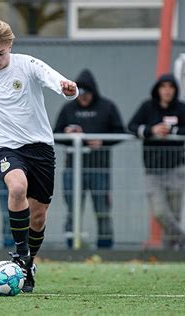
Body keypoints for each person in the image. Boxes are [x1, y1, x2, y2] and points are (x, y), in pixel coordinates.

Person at [0, 20, 78, 292]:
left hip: (41, 147)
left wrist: (66, 87)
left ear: (10, 46)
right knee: (17, 186)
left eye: (1, 53)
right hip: (5, 147)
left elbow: (52, 77)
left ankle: (29, 262)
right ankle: (21, 253)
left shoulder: (27, 64)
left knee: (38, 216)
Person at [53, 69, 125, 249]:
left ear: (94, 92)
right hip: (72, 169)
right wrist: (67, 134)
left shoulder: (107, 107)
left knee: (102, 210)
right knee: (73, 210)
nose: (83, 98)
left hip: (99, 169)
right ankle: (72, 246)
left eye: (87, 94)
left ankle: (105, 246)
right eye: (81, 94)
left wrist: (102, 141)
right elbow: (55, 133)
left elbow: (121, 131)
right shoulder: (68, 108)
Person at [128, 73, 185, 250]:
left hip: (176, 170)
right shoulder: (147, 107)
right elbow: (131, 126)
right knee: (160, 212)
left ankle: (169, 256)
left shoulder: (181, 108)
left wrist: (173, 130)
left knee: (174, 215)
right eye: (163, 87)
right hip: (153, 171)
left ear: (175, 90)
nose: (167, 91)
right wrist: (152, 130)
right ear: (157, 89)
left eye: (171, 87)